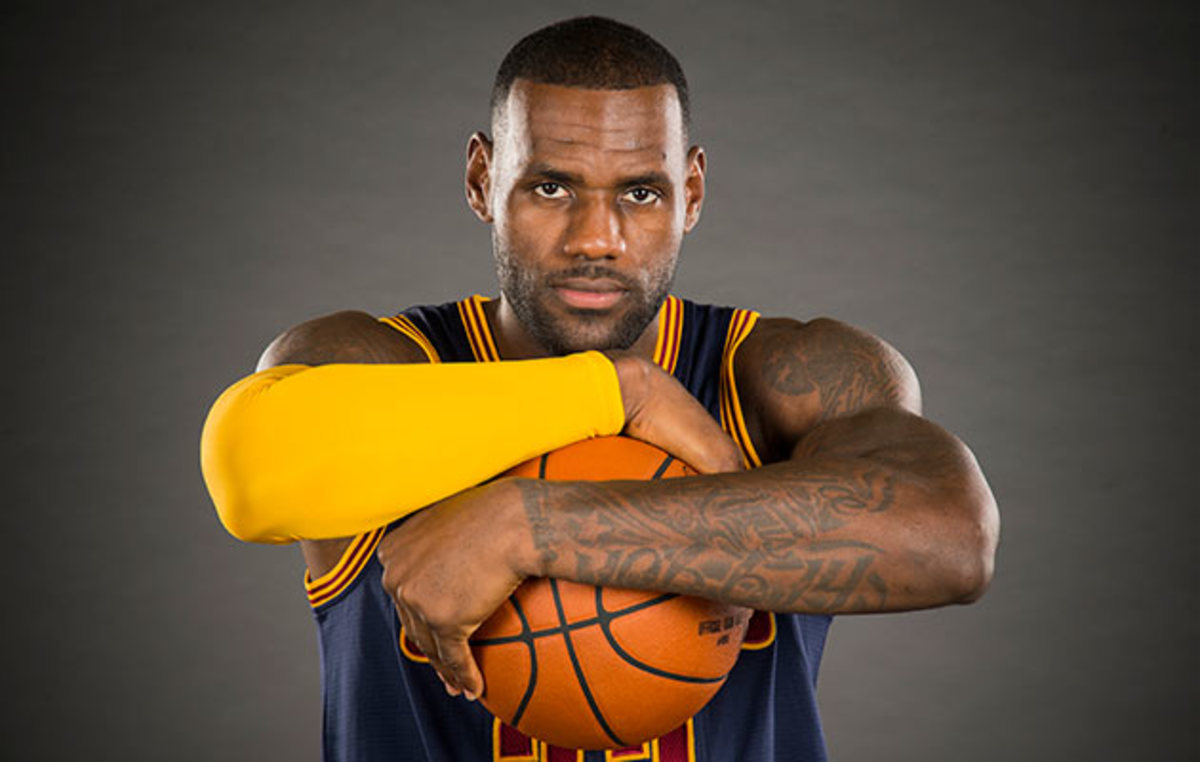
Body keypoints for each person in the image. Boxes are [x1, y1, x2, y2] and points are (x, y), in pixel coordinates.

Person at [200, 16, 999, 762]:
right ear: (482, 179)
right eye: (551, 188)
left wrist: (528, 527)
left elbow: (949, 536)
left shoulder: (775, 377)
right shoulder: (385, 368)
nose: (596, 239)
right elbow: (249, 470)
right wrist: (613, 391)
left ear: (692, 192)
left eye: (640, 193)